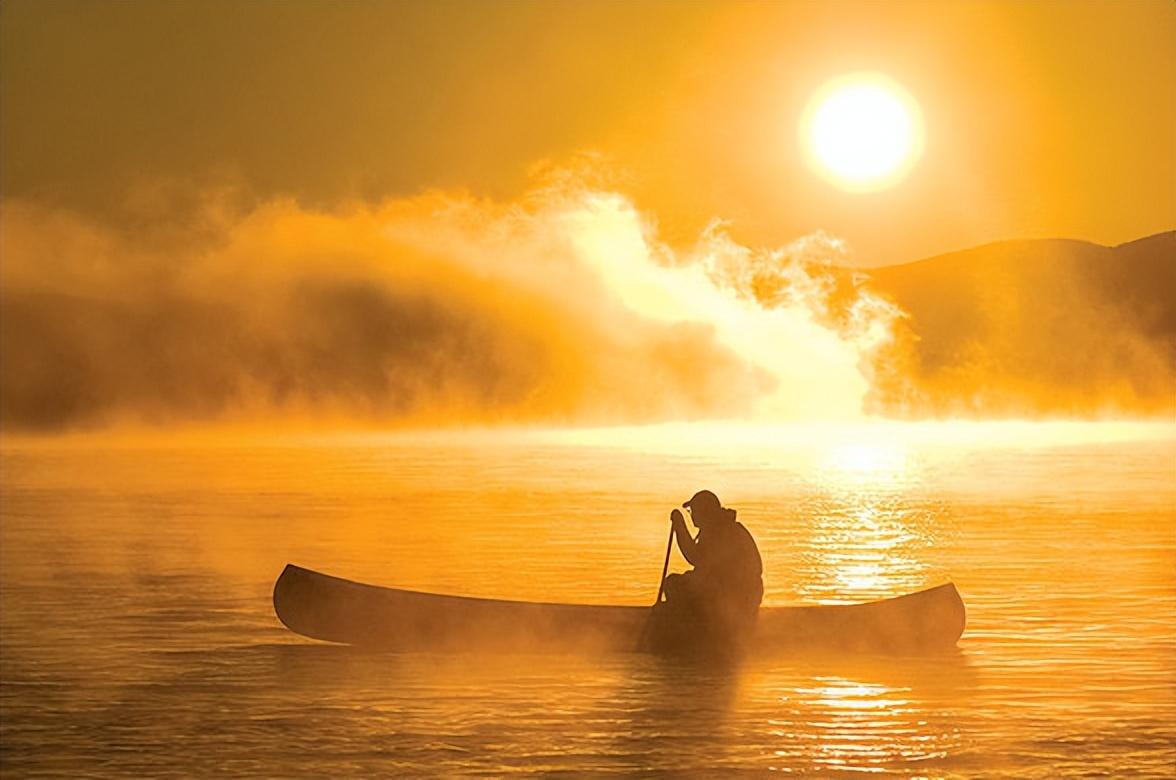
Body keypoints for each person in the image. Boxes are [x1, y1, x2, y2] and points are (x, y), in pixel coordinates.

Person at [659, 489, 763, 644]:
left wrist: (680, 527)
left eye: (693, 511)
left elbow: (696, 557)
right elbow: (704, 566)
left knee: (674, 585)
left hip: (735, 598)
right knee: (679, 583)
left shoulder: (722, 531)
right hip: (732, 594)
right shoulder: (718, 528)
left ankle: (693, 632)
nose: (692, 515)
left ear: (705, 512)